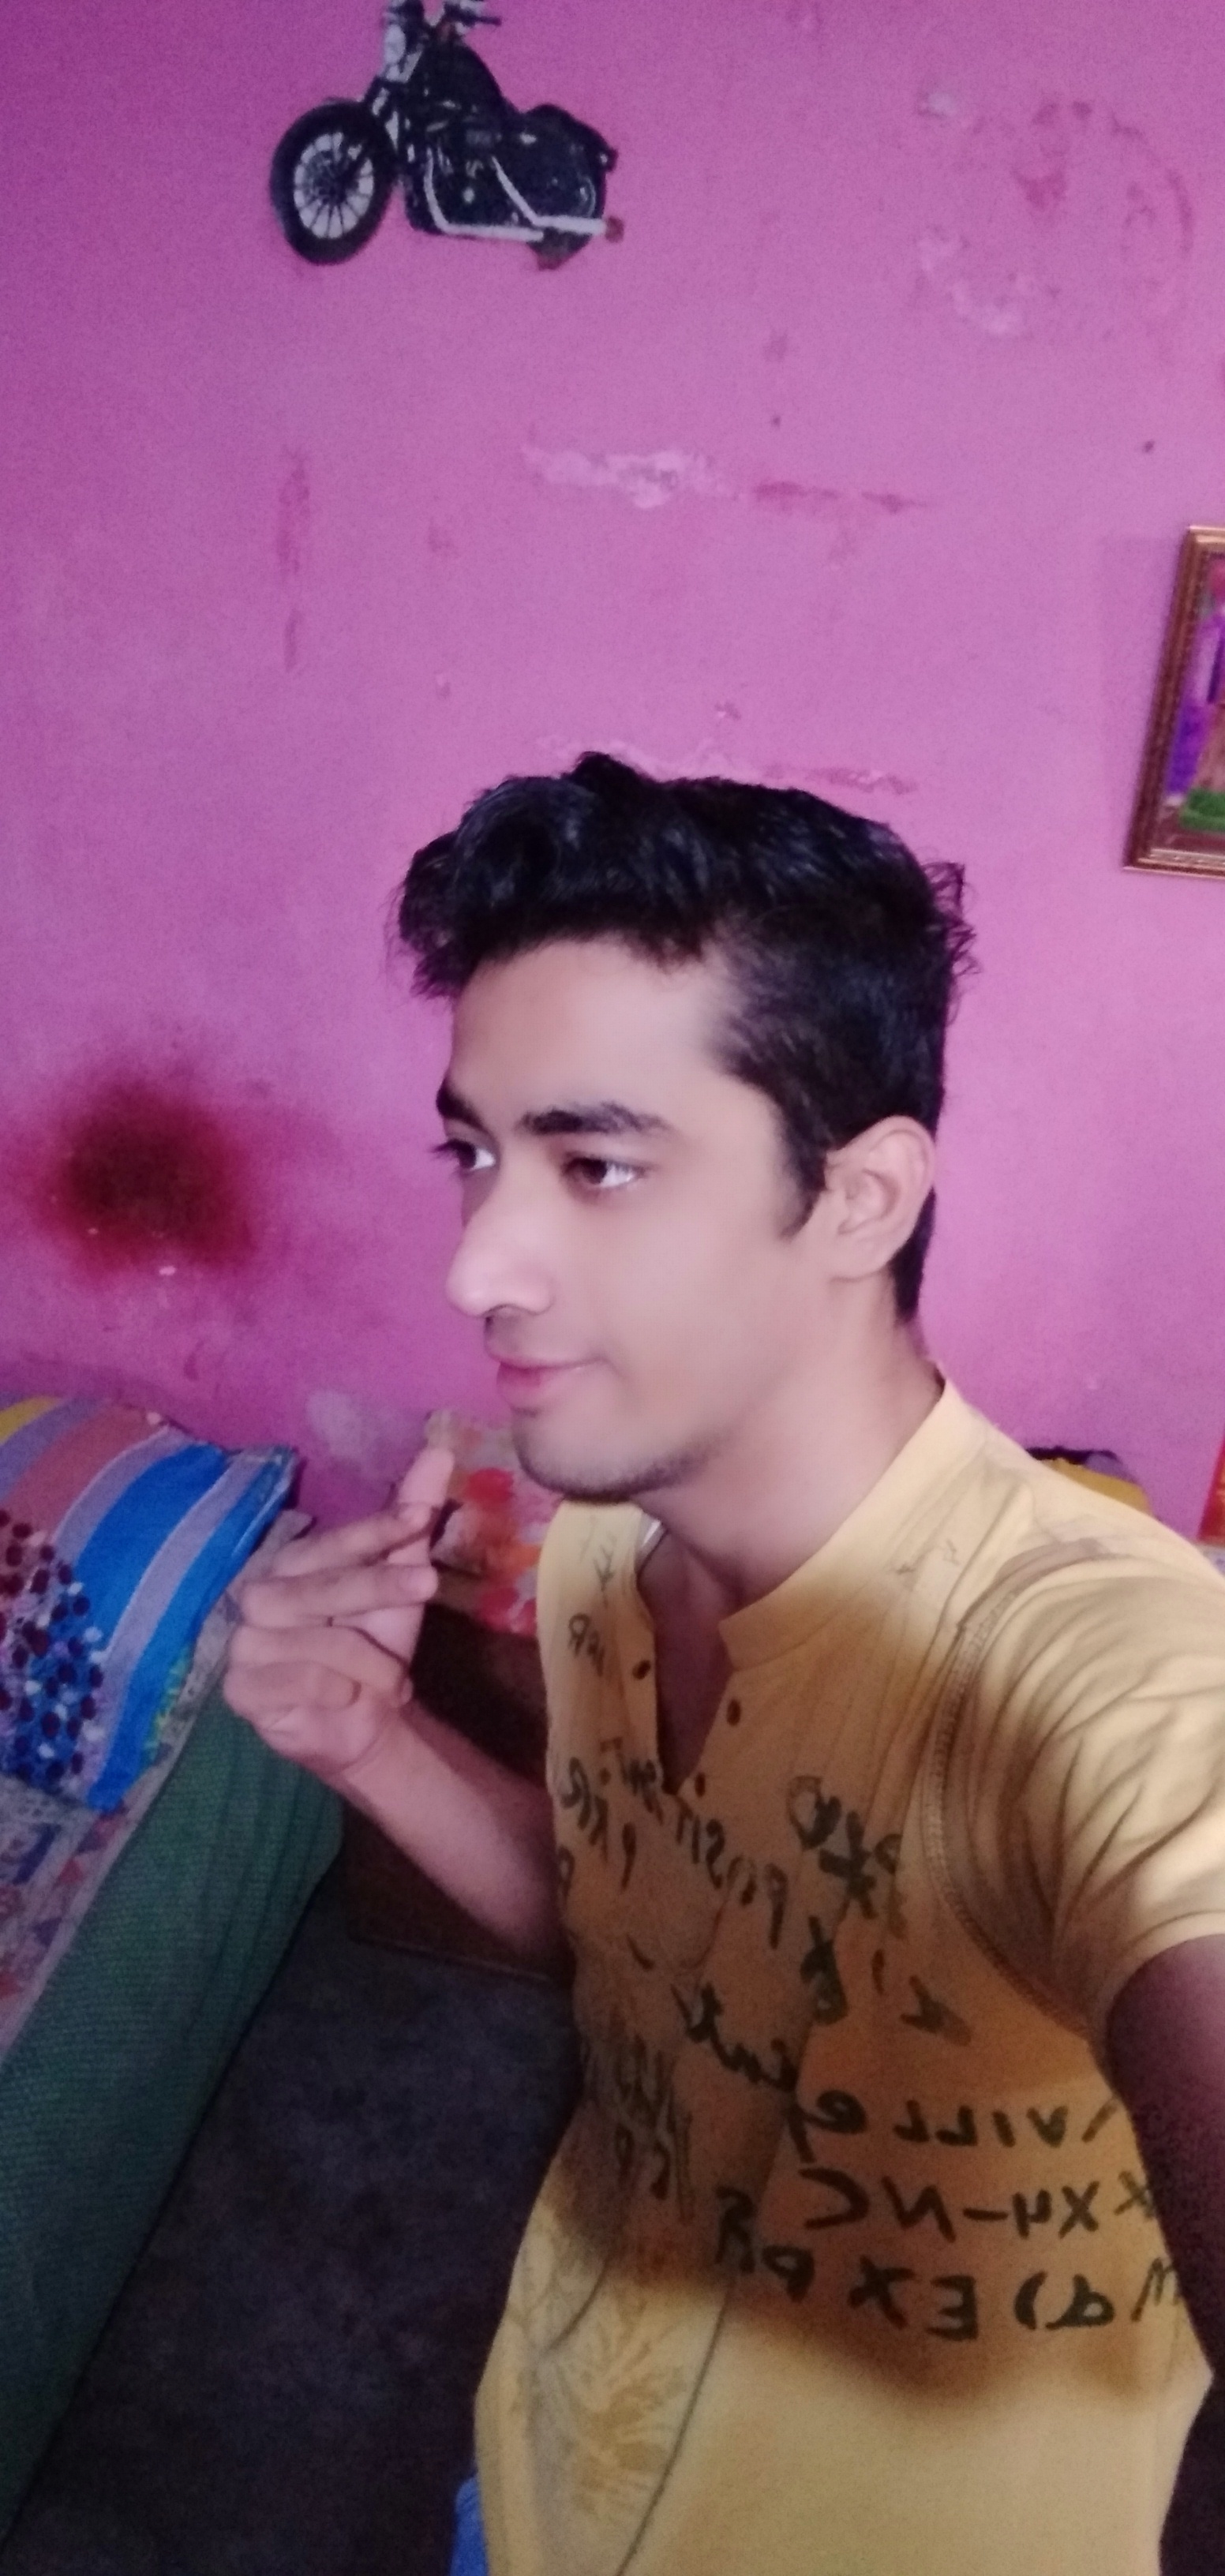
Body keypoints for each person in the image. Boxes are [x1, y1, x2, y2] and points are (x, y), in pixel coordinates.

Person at [224, 755, 1225, 2576]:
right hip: (538, 2478)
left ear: (857, 1200)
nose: (476, 1266)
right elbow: (647, 1955)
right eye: (474, 1154)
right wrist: (372, 1745)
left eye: (596, 1165)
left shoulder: (1102, 1669)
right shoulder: (606, 1547)